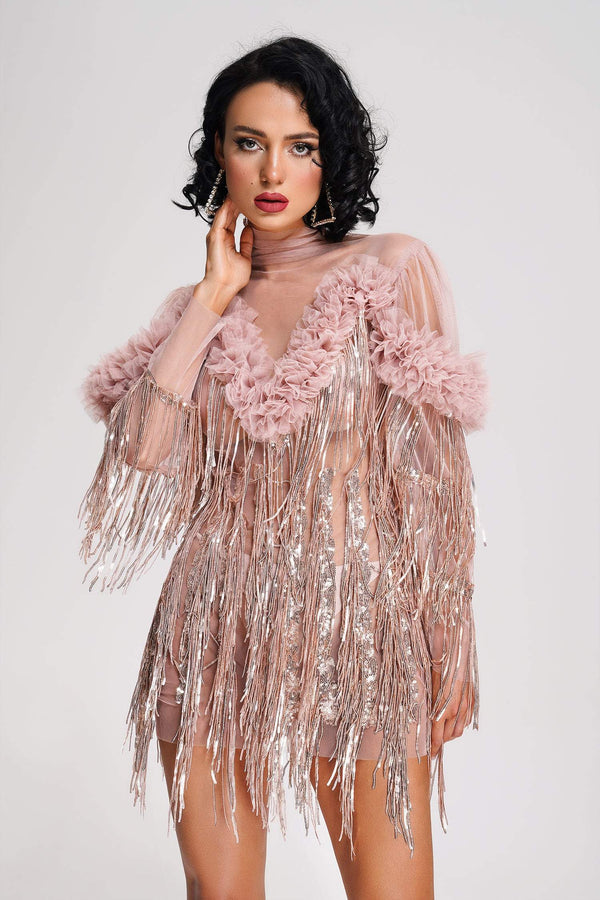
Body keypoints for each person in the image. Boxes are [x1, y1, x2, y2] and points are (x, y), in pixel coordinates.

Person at [78, 35, 489, 900]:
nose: (273, 171)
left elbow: (431, 486)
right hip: (212, 627)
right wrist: (210, 299)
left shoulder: (387, 270)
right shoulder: (195, 309)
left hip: (361, 631)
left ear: (330, 156)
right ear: (218, 153)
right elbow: (142, 453)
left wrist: (449, 639)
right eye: (249, 142)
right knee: (219, 891)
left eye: (300, 145)